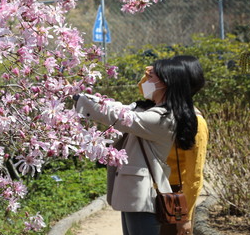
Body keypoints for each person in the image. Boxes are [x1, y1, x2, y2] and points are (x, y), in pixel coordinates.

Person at [74, 58, 198, 235]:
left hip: (143, 197)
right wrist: (86, 97)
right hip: (134, 195)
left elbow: (120, 116)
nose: (145, 81)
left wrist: (81, 100)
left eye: (150, 76)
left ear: (165, 83)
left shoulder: (163, 118)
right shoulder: (151, 110)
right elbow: (120, 108)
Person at [161, 55, 209, 235]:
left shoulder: (195, 121)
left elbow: (194, 176)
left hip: (175, 195)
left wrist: (184, 216)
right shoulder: (166, 112)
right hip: (157, 189)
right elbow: (144, 89)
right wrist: (150, 72)